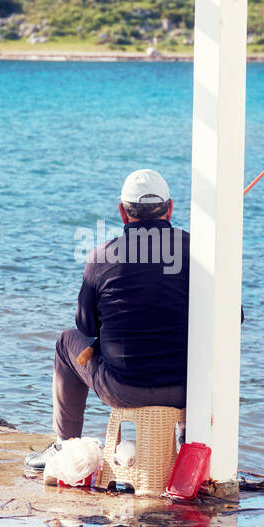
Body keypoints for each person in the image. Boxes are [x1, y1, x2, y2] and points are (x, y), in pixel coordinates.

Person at [27, 169, 189, 470]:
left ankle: (66, 445)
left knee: (66, 343)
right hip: (188, 389)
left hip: (123, 388)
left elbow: (85, 328)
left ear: (122, 213)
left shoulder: (100, 257)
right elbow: (233, 319)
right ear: (170, 209)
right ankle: (186, 439)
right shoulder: (197, 251)